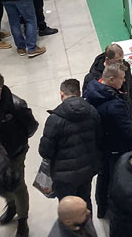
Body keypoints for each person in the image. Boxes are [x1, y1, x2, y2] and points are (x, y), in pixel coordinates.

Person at [84, 64, 132, 219]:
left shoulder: (92, 89)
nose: (124, 81)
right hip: (117, 146)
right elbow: (129, 130)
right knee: (117, 178)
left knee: (103, 176)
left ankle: (102, 208)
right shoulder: (115, 105)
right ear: (111, 79)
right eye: (121, 79)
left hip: (103, 144)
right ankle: (118, 210)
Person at [0, 72, 38, 237]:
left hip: (15, 152)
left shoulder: (16, 105)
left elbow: (31, 126)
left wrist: (17, 142)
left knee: (17, 185)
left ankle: (23, 219)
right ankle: (11, 205)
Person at [38, 79, 102, 207]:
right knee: (85, 202)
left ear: (61, 94)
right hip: (86, 171)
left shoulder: (54, 119)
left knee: (68, 207)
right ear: (79, 93)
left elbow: (45, 151)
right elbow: (99, 139)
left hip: (63, 176)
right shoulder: (92, 111)